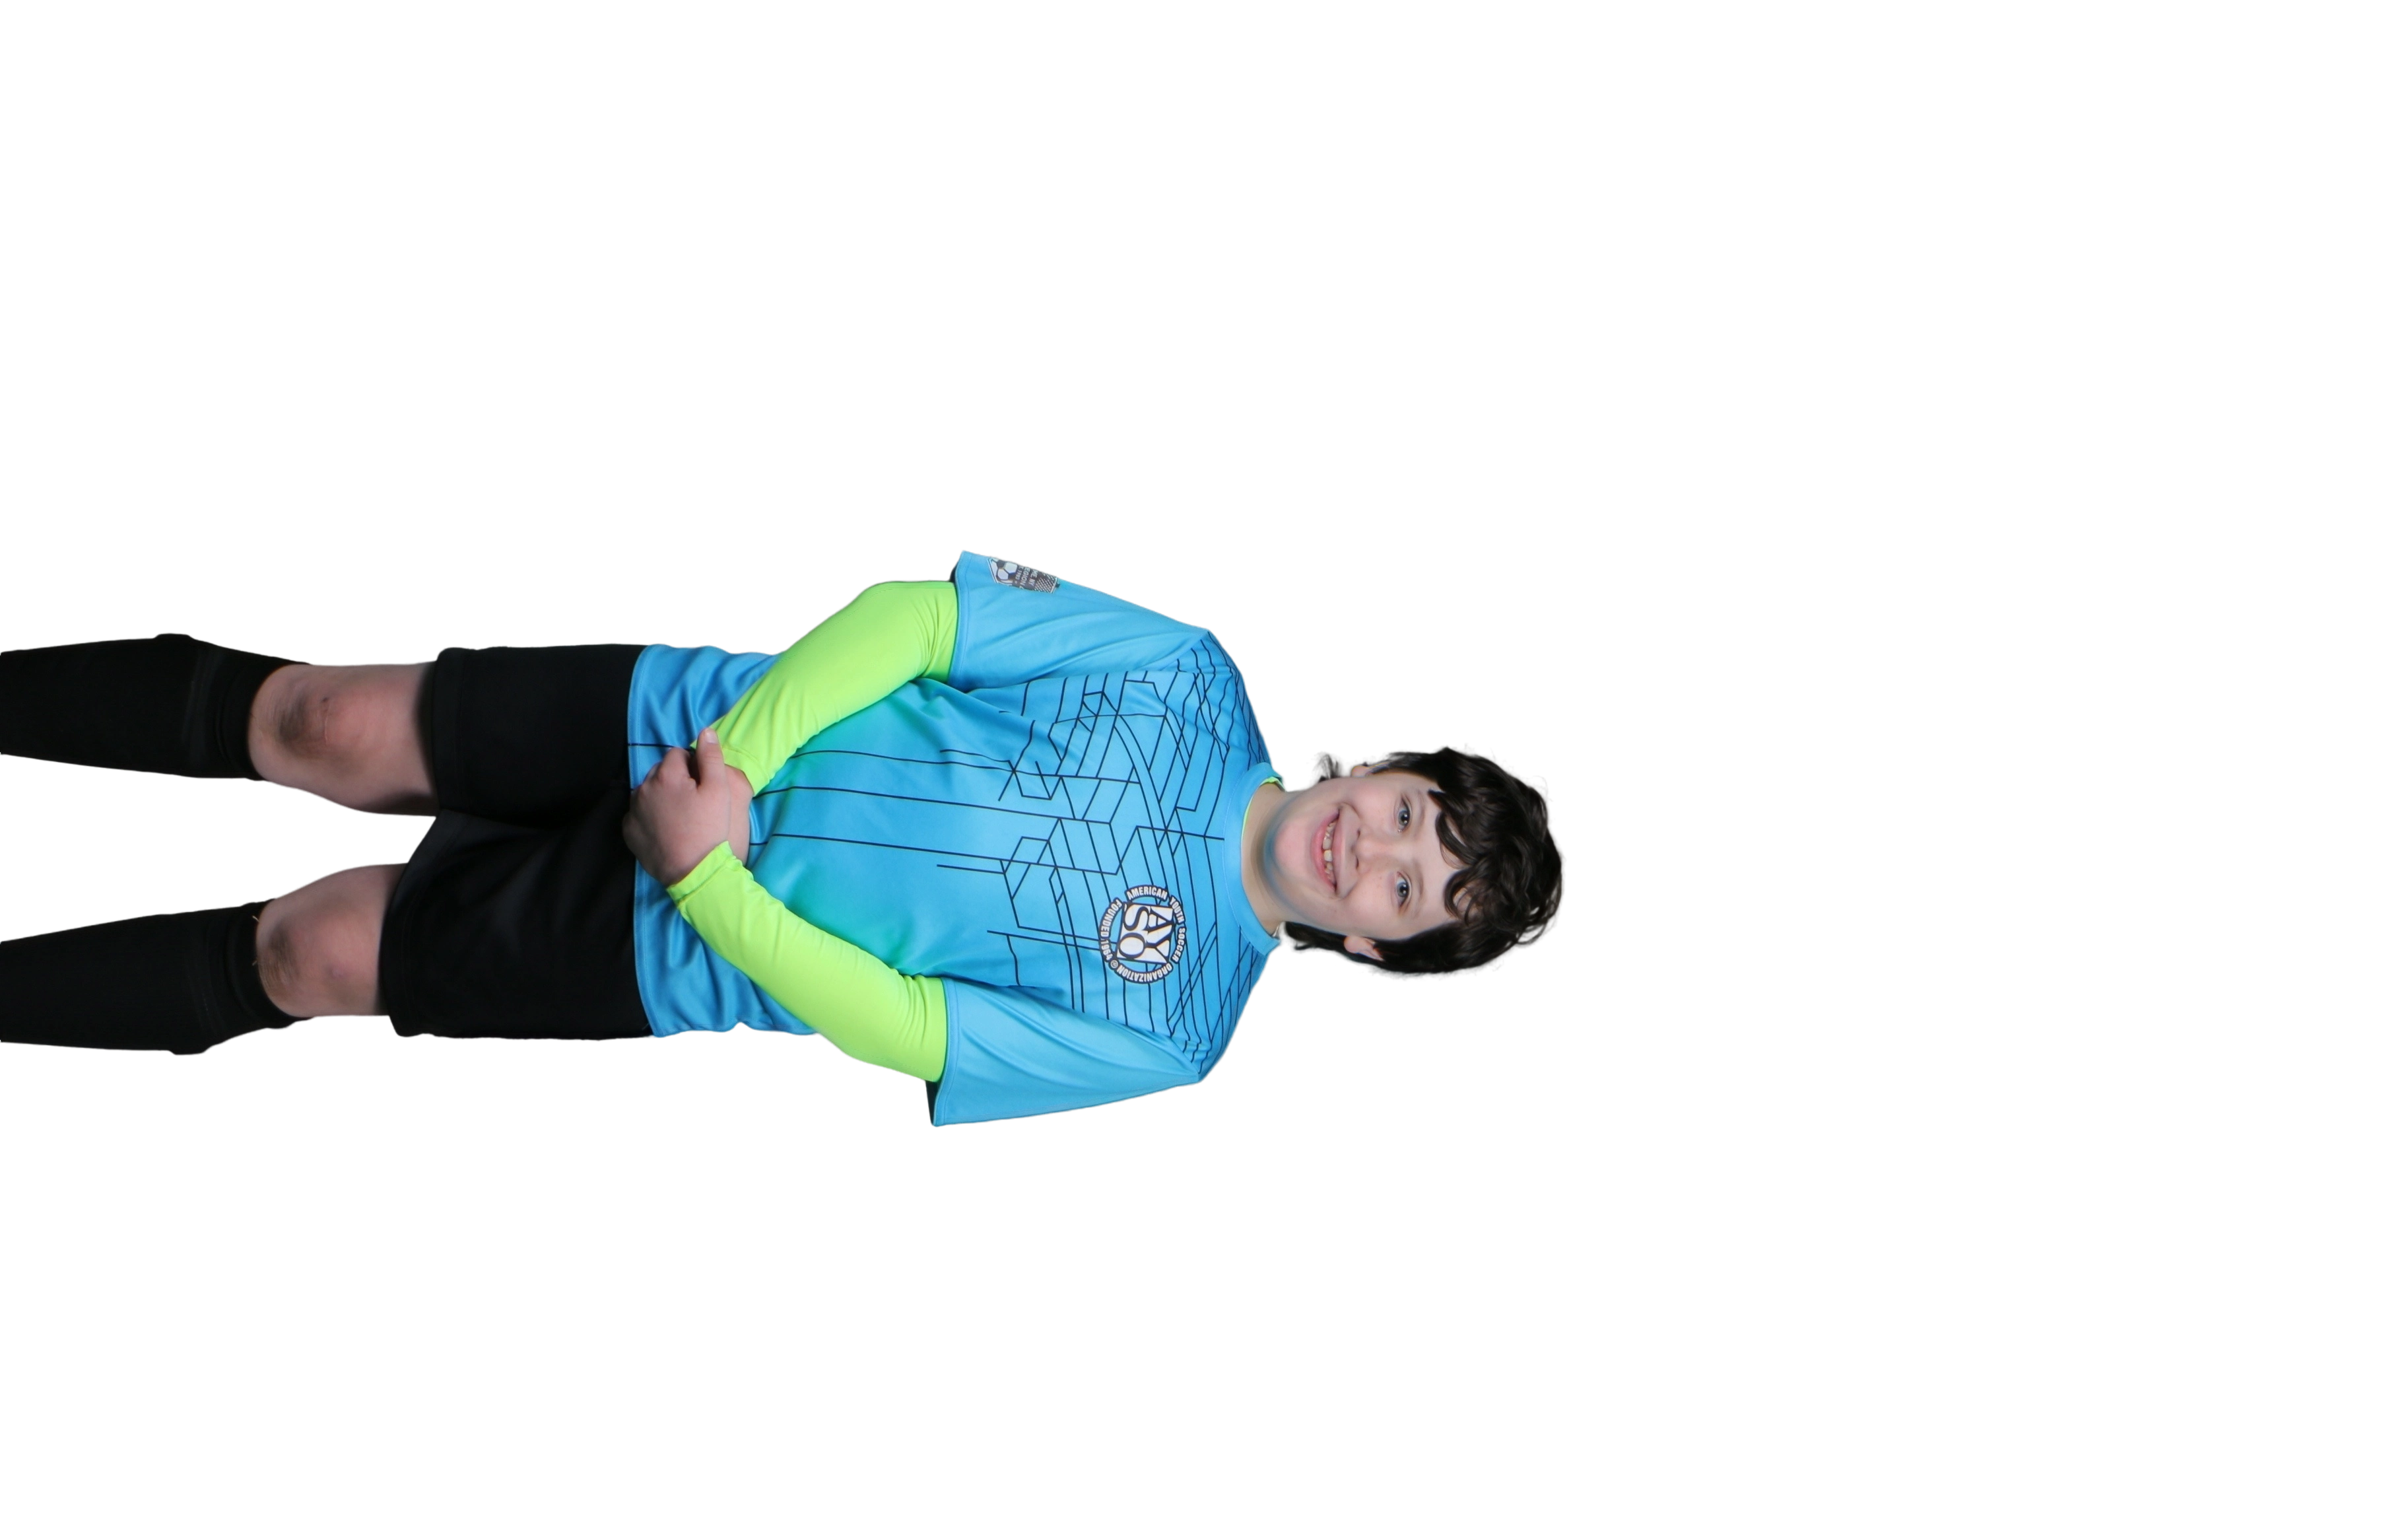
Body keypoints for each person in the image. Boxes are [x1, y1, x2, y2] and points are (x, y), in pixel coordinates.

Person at [0, 553, 1566, 1124]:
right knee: (323, 723)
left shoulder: (1178, 1031)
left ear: (1378, 949)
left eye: (1413, 893)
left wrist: (706, 878)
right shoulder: (1187, 673)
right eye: (1408, 813)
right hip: (682, 723)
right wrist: (729, 772)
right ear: (1377, 761)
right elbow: (917, 624)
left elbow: (905, 1029)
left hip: (676, 947)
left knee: (312, 953)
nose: (1376, 852)